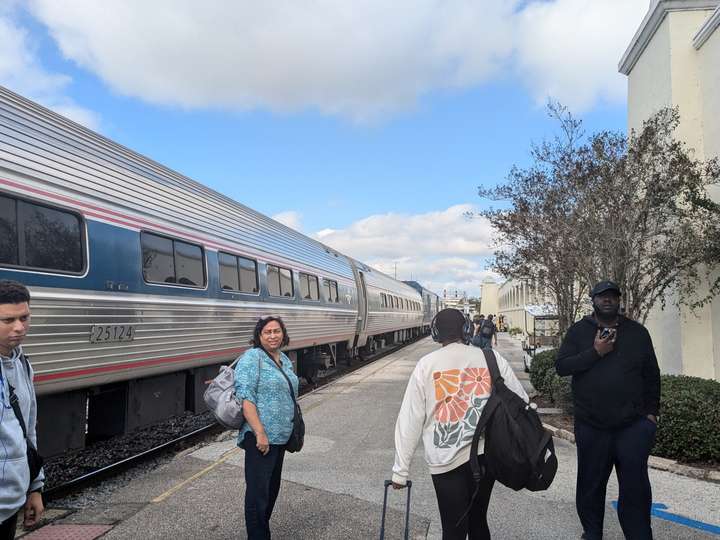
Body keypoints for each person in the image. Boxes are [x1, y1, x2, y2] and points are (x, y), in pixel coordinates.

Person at [391, 308, 528, 540]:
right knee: (478, 521)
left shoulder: (426, 365)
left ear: (435, 333)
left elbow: (410, 418)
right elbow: (521, 402)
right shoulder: (490, 358)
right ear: (466, 329)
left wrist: (400, 471)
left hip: (444, 460)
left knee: (453, 528)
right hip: (486, 457)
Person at [556, 281, 660, 540]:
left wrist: (651, 414)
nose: (607, 300)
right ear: (593, 300)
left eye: (612, 296)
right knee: (590, 487)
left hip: (632, 426)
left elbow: (652, 375)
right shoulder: (579, 332)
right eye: (602, 296)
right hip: (592, 425)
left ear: (618, 301)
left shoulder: (637, 333)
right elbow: (562, 366)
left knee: (635, 488)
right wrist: (595, 352)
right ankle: (592, 533)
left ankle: (639, 534)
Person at [234, 316, 299, 540]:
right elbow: (246, 397)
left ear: (283, 334)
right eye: (267, 332)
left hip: (280, 438)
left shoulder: (284, 359)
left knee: (271, 492)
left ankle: (261, 531)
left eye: (277, 331)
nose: (273, 336)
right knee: (257, 496)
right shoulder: (252, 358)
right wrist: (260, 432)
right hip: (260, 438)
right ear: (259, 336)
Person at [0, 280, 44, 540]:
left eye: (24, 318)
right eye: (7, 321)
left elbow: (28, 430)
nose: (19, 327)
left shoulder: (22, 363)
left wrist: (34, 487)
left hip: (9, 506)